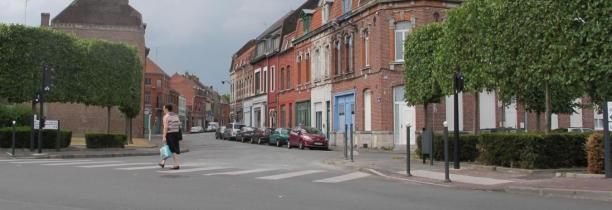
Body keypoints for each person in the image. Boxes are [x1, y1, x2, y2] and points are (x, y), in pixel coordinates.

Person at [159, 104, 181, 170]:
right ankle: (162, 162)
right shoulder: (175, 115)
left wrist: (164, 136)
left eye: (163, 108)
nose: (163, 109)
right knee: (167, 148)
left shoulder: (166, 116)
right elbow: (179, 124)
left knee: (172, 150)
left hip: (170, 134)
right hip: (176, 134)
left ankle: (177, 165)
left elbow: (165, 127)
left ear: (166, 109)